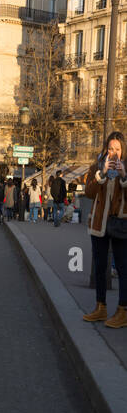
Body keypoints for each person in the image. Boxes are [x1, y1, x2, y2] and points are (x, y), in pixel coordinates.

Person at [82, 131, 127, 327]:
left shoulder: (126, 168)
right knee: (100, 266)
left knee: (123, 268)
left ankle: (123, 311)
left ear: (123, 150)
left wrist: (124, 175)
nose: (114, 153)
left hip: (120, 224)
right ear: (106, 150)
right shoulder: (97, 167)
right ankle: (100, 307)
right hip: (99, 224)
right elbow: (89, 193)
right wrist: (101, 173)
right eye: (111, 148)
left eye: (118, 149)